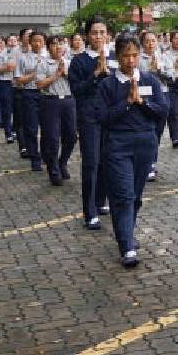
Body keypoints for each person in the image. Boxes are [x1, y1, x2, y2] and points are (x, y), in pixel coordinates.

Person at [95, 34, 169, 267]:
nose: (130, 60)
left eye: (134, 55)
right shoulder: (108, 84)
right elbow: (102, 117)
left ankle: (126, 232)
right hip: (118, 145)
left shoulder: (150, 80)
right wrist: (127, 103)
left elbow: (162, 110)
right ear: (117, 56)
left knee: (135, 196)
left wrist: (141, 103)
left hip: (145, 143)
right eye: (125, 55)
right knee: (123, 195)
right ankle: (126, 245)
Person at [69, 17, 112, 229]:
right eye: (94, 32)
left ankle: (101, 201)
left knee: (107, 160)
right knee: (91, 162)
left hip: (111, 116)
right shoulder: (79, 60)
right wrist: (95, 74)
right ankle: (89, 211)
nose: (98, 36)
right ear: (87, 36)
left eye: (102, 32)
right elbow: (76, 90)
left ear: (108, 35)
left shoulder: (115, 57)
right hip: (89, 117)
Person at [35, 35, 77, 186]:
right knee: (52, 139)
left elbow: (77, 82)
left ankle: (62, 162)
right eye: (54, 44)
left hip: (68, 101)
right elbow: (39, 84)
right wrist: (56, 75)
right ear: (48, 47)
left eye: (61, 44)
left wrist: (66, 74)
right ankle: (53, 169)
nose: (58, 47)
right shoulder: (43, 63)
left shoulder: (70, 63)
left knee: (71, 136)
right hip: (50, 101)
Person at [14, 31, 48, 172]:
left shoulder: (49, 57)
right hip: (30, 93)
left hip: (47, 94)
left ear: (44, 42)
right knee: (31, 128)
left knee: (48, 128)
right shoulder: (23, 58)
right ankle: (34, 157)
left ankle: (47, 155)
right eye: (35, 40)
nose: (37, 43)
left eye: (40, 40)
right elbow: (18, 79)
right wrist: (33, 75)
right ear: (30, 42)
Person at [138, 31, 167, 182]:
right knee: (148, 132)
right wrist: (151, 71)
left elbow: (171, 76)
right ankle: (147, 164)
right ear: (142, 43)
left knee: (157, 133)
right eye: (147, 41)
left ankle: (152, 162)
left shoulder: (163, 56)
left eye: (153, 41)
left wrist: (160, 70)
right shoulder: (138, 59)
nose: (150, 44)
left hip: (161, 96)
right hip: (145, 98)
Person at [160, 30, 178, 149]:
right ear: (171, 40)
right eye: (175, 38)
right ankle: (176, 138)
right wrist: (175, 67)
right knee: (174, 112)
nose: (177, 41)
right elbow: (163, 71)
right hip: (171, 85)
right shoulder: (165, 55)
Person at [0, 36, 16, 144]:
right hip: (5, 83)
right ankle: (8, 133)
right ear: (7, 42)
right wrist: (7, 68)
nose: (13, 42)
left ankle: (14, 129)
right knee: (6, 109)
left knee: (17, 109)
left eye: (15, 40)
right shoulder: (2, 54)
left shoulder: (20, 54)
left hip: (18, 83)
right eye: (10, 40)